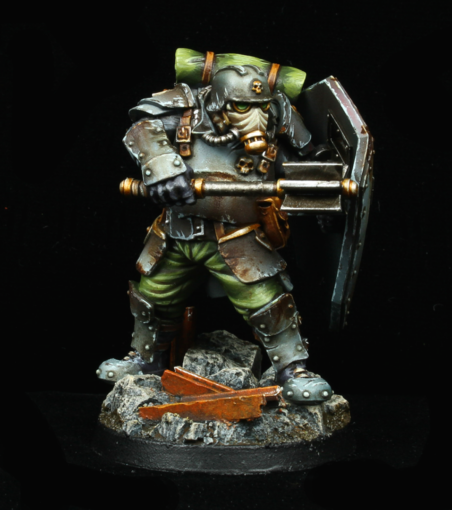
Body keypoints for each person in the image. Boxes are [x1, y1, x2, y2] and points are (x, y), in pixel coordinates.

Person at [96, 63, 333, 404]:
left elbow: (308, 162)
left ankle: (293, 369)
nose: (254, 118)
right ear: (217, 102)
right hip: (176, 234)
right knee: (152, 297)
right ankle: (146, 359)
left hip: (238, 237)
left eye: (262, 107)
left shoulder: (276, 119)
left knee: (267, 301)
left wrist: (321, 190)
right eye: (241, 107)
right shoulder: (187, 114)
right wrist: (162, 167)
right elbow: (141, 128)